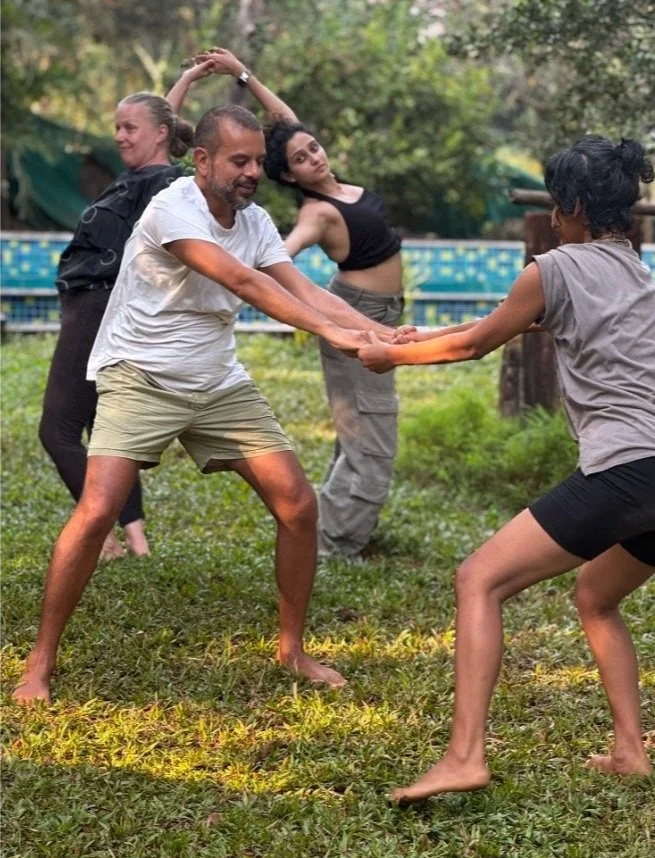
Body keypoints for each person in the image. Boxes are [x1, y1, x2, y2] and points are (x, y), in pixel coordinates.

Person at [12, 103, 407, 706]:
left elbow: (301, 287)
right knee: (95, 514)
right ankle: (38, 663)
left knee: (299, 506)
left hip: (218, 383)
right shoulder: (173, 207)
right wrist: (339, 338)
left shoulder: (256, 222)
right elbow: (247, 284)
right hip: (140, 375)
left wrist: (380, 335)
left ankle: (292, 649)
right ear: (202, 160)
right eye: (238, 161)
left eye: (256, 161)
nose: (252, 172)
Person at [358, 135, 655, 803]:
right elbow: (518, 322)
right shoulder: (633, 269)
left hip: (622, 471)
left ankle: (464, 756)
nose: (553, 219)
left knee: (478, 579)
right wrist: (423, 338)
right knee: (595, 597)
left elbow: (478, 344)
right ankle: (628, 752)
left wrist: (391, 358)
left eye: (558, 206)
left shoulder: (554, 266)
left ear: (574, 207)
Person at [195, 48, 406, 561]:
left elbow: (287, 124)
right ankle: (336, 546)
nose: (313, 157)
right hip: (356, 314)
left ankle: (330, 530)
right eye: (300, 160)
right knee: (371, 436)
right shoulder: (317, 213)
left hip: (378, 312)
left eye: (314, 148)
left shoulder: (337, 183)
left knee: (359, 429)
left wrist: (243, 74)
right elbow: (276, 260)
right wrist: (235, 270)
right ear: (287, 177)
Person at [39, 61, 213, 561]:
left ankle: (107, 541)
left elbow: (161, 128)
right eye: (116, 126)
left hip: (97, 307)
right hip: (91, 308)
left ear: (159, 136)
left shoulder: (164, 185)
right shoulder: (142, 173)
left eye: (127, 128)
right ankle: (137, 540)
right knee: (102, 427)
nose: (118, 135)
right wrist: (185, 82)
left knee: (57, 430)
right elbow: (160, 116)